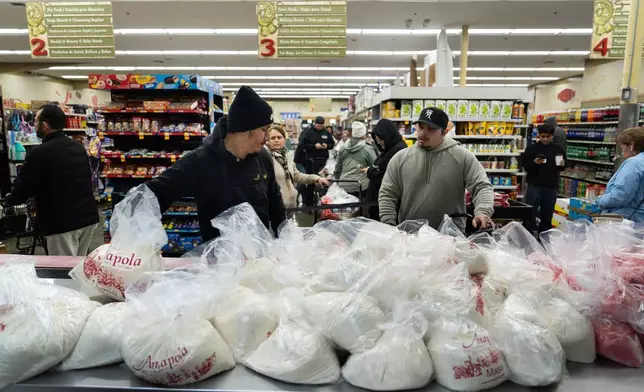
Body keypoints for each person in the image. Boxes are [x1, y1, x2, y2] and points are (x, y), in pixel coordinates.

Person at [147, 86, 286, 241]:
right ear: (246, 129)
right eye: (264, 130)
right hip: (219, 261)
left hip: (259, 259)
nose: (268, 137)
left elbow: (276, 204)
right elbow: (153, 195)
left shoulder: (263, 157)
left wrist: (286, 243)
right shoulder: (200, 161)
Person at [379, 107, 494, 231]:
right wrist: (389, 223)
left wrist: (482, 211)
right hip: (411, 236)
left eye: (431, 129)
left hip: (450, 237)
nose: (423, 132)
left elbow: (481, 186)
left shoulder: (462, 156)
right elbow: (387, 193)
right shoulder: (400, 158)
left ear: (444, 132)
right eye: (421, 127)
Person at [7, 104, 99, 256]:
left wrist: (11, 200)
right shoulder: (78, 147)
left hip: (61, 222)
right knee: (79, 267)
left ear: (45, 125)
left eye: (36, 122)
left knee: (62, 271)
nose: (34, 125)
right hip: (88, 217)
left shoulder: (39, 153)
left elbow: (24, 186)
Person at [267, 125, 329, 209]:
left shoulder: (286, 156)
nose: (276, 140)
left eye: (279, 137)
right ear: (267, 140)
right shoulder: (266, 158)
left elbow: (297, 175)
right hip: (274, 208)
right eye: (273, 138)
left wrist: (316, 178)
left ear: (284, 139)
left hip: (290, 205)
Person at [522, 124, 567, 234]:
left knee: (548, 213)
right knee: (530, 212)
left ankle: (545, 235)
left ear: (552, 136)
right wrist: (534, 163)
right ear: (539, 136)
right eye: (543, 136)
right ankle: (528, 233)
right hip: (534, 185)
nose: (545, 139)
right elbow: (526, 166)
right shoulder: (532, 149)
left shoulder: (558, 149)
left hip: (551, 186)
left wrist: (561, 164)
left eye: (548, 136)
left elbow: (563, 166)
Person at [595, 127, 644, 222]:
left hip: (624, 219)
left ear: (632, 146)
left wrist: (600, 200)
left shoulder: (633, 163)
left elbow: (621, 196)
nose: (621, 149)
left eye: (622, 146)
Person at [363, 118, 408, 220]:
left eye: (381, 139)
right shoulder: (388, 148)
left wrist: (370, 172)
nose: (380, 143)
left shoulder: (398, 149)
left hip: (387, 204)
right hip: (377, 201)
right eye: (377, 140)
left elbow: (388, 174)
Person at [295, 116, 335, 205]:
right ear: (315, 123)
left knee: (322, 181)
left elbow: (332, 144)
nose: (319, 127)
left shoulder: (326, 132)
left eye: (321, 125)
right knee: (310, 182)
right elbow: (302, 144)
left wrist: (326, 146)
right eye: (318, 125)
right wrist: (314, 146)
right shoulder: (308, 132)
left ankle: (321, 201)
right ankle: (308, 202)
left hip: (323, 161)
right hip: (309, 161)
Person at [335, 122, 377, 196]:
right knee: (360, 205)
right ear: (363, 135)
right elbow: (375, 167)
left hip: (343, 184)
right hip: (360, 186)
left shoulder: (343, 148)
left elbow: (338, 167)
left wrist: (338, 180)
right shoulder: (368, 149)